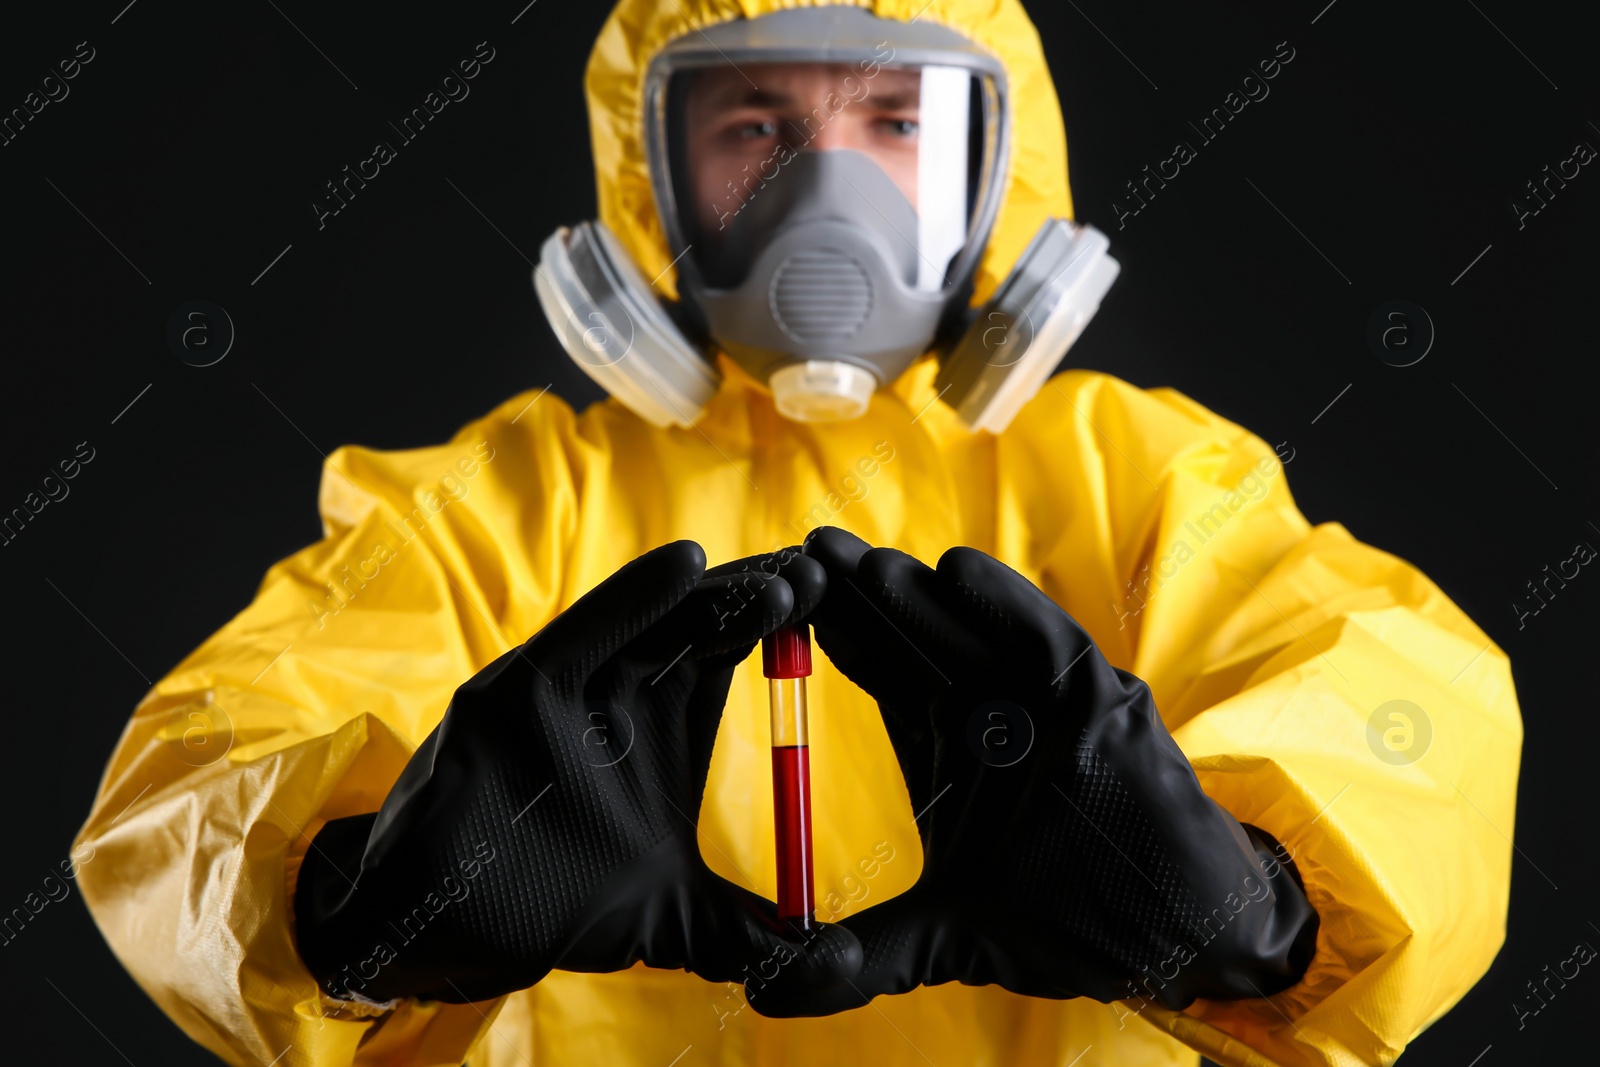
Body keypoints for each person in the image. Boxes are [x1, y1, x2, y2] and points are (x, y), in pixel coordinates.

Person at [72, 1, 1521, 1065]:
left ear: (996, 164)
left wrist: (1255, 901)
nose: (824, 194)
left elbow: (1410, 709)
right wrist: (349, 896)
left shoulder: (1140, 483)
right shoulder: (495, 513)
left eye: (898, 121)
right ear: (650, 178)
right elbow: (191, 781)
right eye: (756, 126)